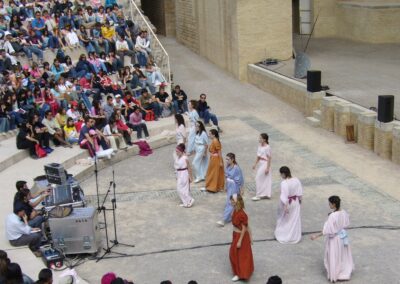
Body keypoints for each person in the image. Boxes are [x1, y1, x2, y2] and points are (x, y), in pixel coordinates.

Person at [311, 196, 354, 283]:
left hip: (334, 239)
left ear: (334, 204)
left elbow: (327, 230)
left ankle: (335, 274)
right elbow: (346, 223)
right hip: (342, 238)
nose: (329, 205)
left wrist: (316, 236)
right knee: (342, 255)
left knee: (333, 256)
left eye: (330, 203)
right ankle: (343, 272)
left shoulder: (332, 216)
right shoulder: (344, 212)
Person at [274, 166, 303, 244]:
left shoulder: (284, 183)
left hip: (288, 203)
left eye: (281, 174)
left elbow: (284, 195)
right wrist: (300, 201)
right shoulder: (296, 180)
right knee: (294, 219)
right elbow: (300, 192)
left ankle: (285, 235)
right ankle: (294, 235)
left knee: (286, 219)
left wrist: (286, 206)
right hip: (296, 202)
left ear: (283, 174)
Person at [229, 194, 254, 282]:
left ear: (236, 201)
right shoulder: (235, 210)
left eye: (232, 200)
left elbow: (244, 228)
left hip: (241, 236)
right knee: (235, 254)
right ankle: (238, 272)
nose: (231, 201)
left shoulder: (242, 214)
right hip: (235, 234)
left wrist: (240, 241)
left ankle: (240, 274)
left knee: (239, 255)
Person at [217, 153, 244, 227]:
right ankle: (232, 216)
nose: (226, 160)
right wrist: (225, 186)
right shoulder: (228, 167)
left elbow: (241, 179)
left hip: (234, 186)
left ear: (232, 160)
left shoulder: (237, 168)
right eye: (226, 159)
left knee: (230, 202)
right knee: (231, 202)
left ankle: (224, 220)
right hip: (229, 186)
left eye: (228, 159)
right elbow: (226, 177)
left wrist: (241, 189)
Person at [252, 133, 272, 201]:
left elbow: (269, 158)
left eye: (260, 138)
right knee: (264, 179)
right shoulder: (259, 146)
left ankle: (258, 195)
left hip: (265, 163)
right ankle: (265, 194)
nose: (259, 139)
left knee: (258, 178)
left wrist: (267, 168)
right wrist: (255, 164)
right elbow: (258, 156)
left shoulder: (267, 147)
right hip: (261, 163)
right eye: (259, 138)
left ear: (264, 139)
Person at [174, 143, 194, 208]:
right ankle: (186, 202)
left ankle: (190, 200)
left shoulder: (185, 158)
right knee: (179, 188)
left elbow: (189, 167)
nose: (176, 153)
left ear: (181, 151)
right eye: (176, 151)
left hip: (184, 174)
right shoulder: (177, 157)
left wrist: (191, 177)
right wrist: (176, 175)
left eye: (177, 151)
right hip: (179, 174)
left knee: (182, 189)